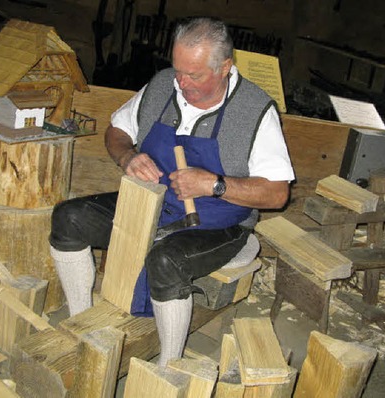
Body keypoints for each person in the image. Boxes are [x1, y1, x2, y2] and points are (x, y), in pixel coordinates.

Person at [48, 16, 294, 367]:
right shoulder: (164, 85)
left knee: (166, 260)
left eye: (194, 75)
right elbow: (116, 131)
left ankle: (169, 367)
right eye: (178, 70)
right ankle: (80, 322)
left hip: (218, 223)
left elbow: (277, 194)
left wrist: (214, 184)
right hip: (155, 203)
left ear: (225, 67)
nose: (182, 82)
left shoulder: (255, 110)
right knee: (68, 218)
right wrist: (128, 156)